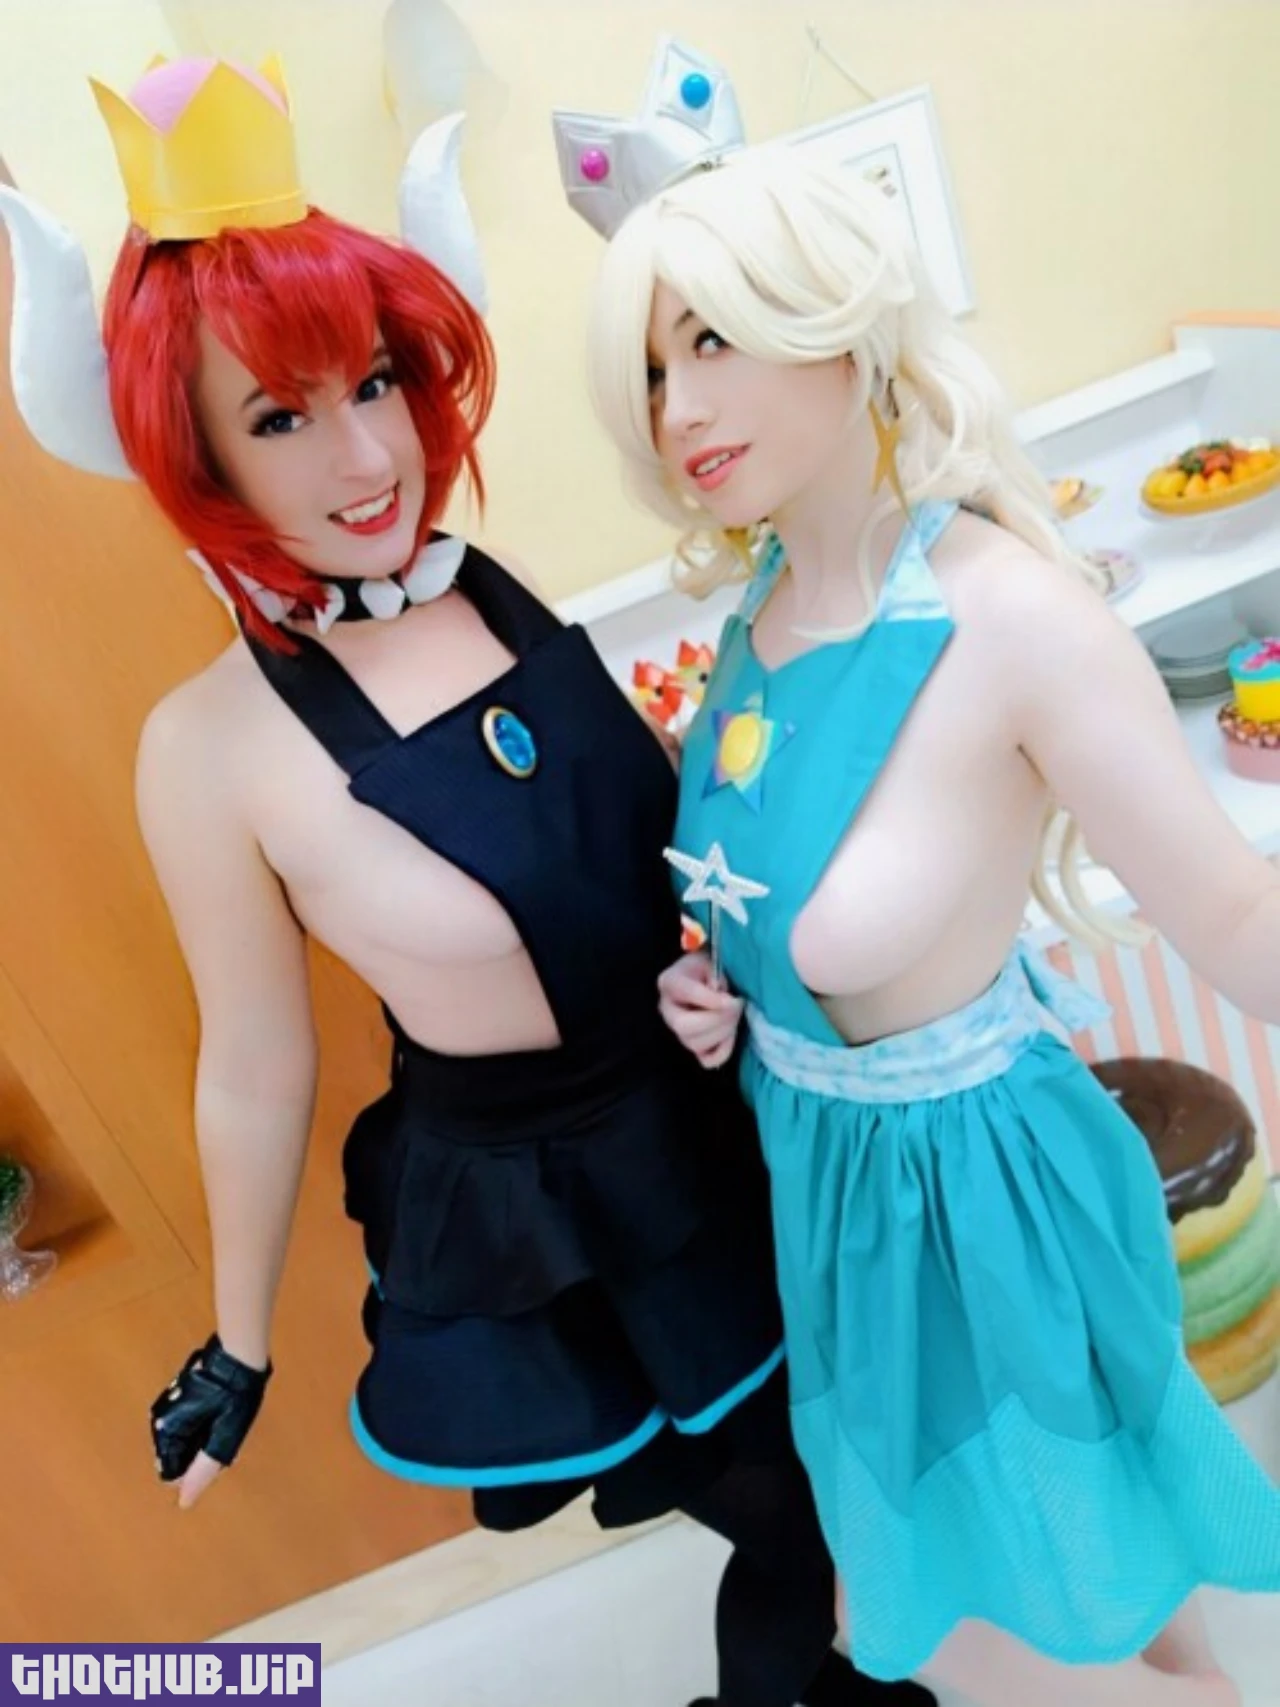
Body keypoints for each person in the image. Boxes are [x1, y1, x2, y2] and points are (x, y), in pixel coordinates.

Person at [0, 52, 936, 1707]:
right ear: (196, 457)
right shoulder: (205, 747)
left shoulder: (481, 583)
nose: (367, 456)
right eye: (279, 417)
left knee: (838, 1469)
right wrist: (236, 1341)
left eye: (373, 381)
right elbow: (254, 1060)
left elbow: (633, 851)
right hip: (556, 1206)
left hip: (724, 1106)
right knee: (783, 1509)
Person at [568, 34, 1280, 1707]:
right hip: (822, 1178)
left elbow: (1236, 910)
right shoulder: (754, 616)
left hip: (989, 1197)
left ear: (837, 322)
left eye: (713, 340)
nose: (680, 410)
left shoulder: (1013, 618)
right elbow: (783, 898)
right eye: (653, 370)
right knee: (916, 1507)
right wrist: (721, 994)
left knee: (1102, 1523)